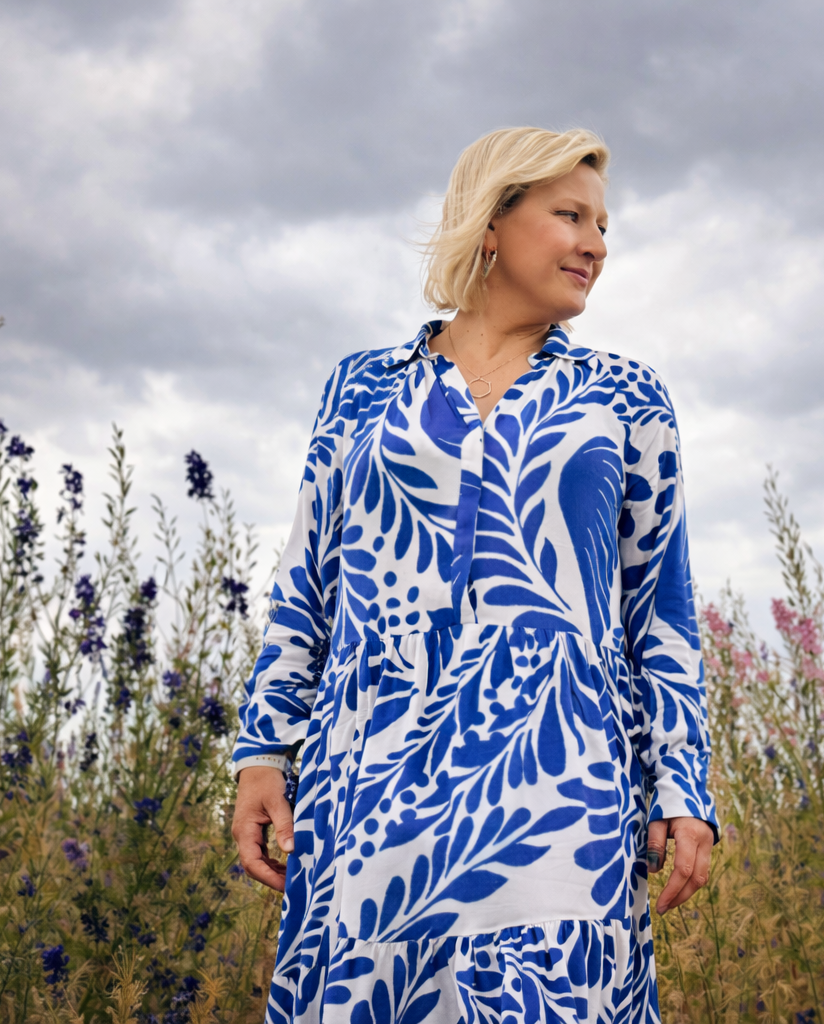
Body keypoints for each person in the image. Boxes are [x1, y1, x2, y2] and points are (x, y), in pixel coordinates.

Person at [229, 126, 718, 1023]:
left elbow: (661, 610)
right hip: (368, 786)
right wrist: (264, 748)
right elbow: (307, 579)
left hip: (558, 795)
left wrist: (681, 785)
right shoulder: (362, 387)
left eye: (604, 227)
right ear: (492, 222)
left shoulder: (625, 396)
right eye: (570, 215)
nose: (596, 246)